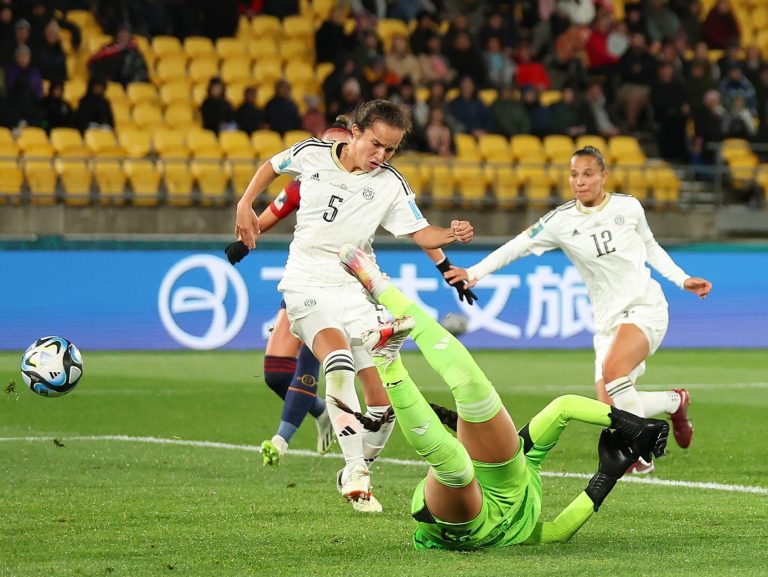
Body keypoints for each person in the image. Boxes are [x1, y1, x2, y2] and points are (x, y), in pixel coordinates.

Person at [337, 243, 670, 550]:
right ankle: (379, 286)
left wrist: (606, 475)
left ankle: (388, 363)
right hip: (497, 486)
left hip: (464, 527)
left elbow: (556, 531)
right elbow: (564, 408)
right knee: (473, 386)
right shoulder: (524, 460)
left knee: (455, 468)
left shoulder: (523, 472)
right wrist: (632, 426)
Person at [234, 99, 475, 512]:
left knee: (384, 405)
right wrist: (245, 203)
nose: (381, 156)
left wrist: (450, 234)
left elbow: (420, 233)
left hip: (353, 290)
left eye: (391, 150)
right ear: (356, 132)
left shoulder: (389, 184)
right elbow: (272, 167)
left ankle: (356, 464)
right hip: (305, 283)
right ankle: (357, 472)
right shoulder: (312, 153)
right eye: (376, 145)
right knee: (337, 359)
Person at [443, 146, 712, 474]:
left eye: (587, 174)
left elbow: (651, 247)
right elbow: (518, 246)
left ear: (603, 176)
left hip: (645, 307)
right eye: (574, 175)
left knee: (614, 372)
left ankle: (641, 449)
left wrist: (682, 279)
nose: (580, 181)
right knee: (608, 404)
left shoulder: (628, 207)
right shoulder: (560, 221)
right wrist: (473, 273)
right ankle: (675, 401)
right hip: (608, 321)